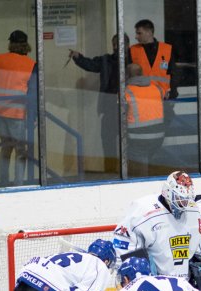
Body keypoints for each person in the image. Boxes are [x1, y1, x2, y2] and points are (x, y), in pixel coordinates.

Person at [112, 171, 201, 285]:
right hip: (153, 284)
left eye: (186, 199)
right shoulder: (142, 210)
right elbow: (124, 245)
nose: (184, 203)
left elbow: (199, 253)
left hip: (183, 285)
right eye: (180, 198)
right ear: (168, 191)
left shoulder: (194, 212)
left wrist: (199, 265)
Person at [0, 30, 38, 187]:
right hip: (16, 112)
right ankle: (18, 184)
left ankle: (3, 182)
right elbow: (33, 93)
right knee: (20, 149)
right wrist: (33, 118)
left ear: (10, 43)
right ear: (26, 45)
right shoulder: (31, 64)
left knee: (6, 147)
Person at [68, 34, 131, 172]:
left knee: (129, 141)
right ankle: (111, 171)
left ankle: (128, 171)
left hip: (130, 107)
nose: (116, 47)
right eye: (114, 44)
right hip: (109, 106)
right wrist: (78, 57)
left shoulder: (134, 60)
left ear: (127, 45)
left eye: (119, 44)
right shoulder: (106, 60)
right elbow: (91, 64)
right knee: (108, 141)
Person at [124, 63, 166, 177]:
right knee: (146, 163)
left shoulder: (126, 92)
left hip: (138, 138)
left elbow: (119, 115)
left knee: (138, 170)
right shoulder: (157, 88)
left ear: (127, 76)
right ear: (142, 73)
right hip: (158, 136)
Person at [130, 19, 176, 101]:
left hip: (163, 98)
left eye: (139, 33)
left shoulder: (167, 49)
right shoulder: (132, 50)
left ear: (149, 32)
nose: (136, 37)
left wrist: (173, 92)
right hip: (141, 98)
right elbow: (127, 75)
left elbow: (172, 73)